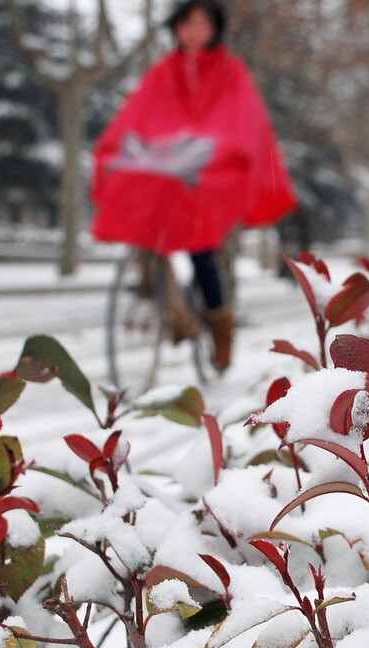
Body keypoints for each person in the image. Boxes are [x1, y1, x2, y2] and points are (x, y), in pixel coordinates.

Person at [90, 0, 296, 372]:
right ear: (177, 27)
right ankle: (173, 311)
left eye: (203, 22)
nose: (195, 29)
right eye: (188, 21)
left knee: (202, 248)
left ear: (215, 28)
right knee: (145, 224)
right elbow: (139, 115)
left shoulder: (231, 71)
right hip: (170, 167)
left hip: (209, 169)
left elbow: (242, 118)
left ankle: (221, 329)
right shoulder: (163, 71)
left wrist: (217, 145)